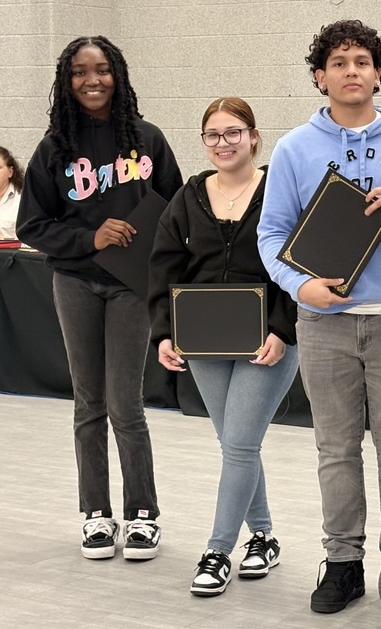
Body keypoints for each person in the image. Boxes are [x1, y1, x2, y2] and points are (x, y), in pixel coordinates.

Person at [257, 19, 381, 614]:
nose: (351, 71)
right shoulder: (294, 148)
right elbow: (271, 234)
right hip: (323, 327)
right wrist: (299, 285)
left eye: (362, 61)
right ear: (320, 77)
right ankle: (342, 561)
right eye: (338, 62)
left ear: (378, 72)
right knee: (335, 448)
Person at [16, 35, 182, 561]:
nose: (92, 80)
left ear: (119, 76)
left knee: (124, 403)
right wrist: (91, 237)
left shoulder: (148, 141)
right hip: (75, 282)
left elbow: (177, 212)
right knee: (88, 402)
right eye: (80, 72)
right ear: (67, 82)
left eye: (103, 70)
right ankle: (94, 513)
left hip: (133, 289)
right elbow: (31, 225)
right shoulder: (53, 149)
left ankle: (143, 515)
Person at [147, 97, 299, 597]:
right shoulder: (188, 198)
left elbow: (302, 265)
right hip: (205, 342)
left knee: (238, 445)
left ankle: (217, 551)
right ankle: (264, 537)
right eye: (213, 134)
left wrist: (283, 330)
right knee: (236, 445)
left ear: (254, 137)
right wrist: (165, 332)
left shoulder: (281, 187)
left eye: (233, 132)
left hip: (268, 340)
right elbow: (165, 267)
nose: (223, 143)